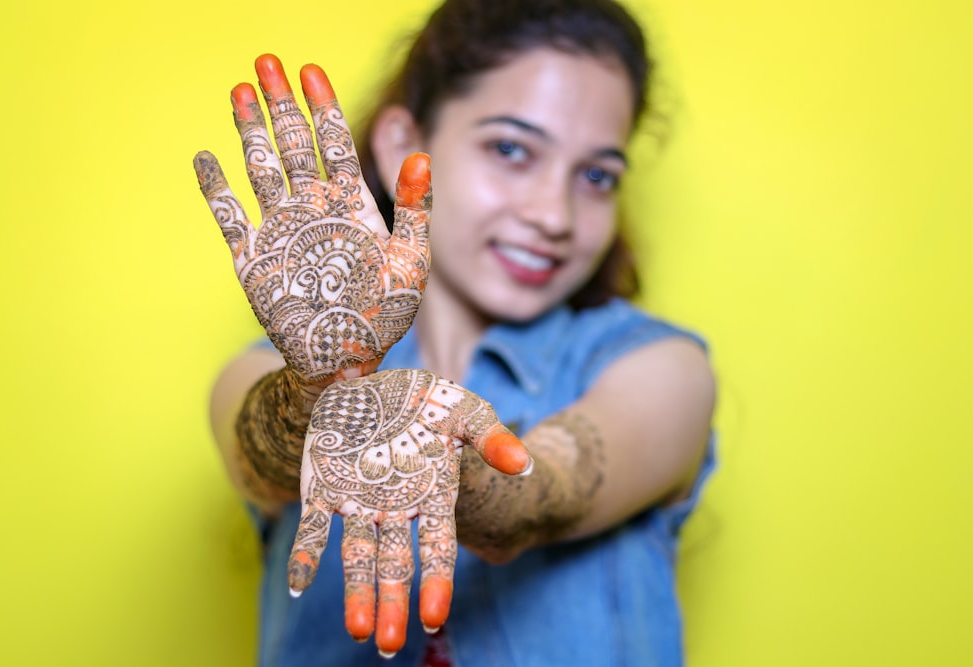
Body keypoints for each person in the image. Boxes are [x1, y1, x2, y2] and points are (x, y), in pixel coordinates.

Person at [194, 0, 717, 664]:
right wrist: (323, 391)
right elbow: (262, 453)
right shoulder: (257, 374)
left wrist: (438, 457)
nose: (554, 214)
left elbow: (539, 492)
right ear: (399, 146)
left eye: (596, 176)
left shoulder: (661, 370)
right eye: (510, 148)